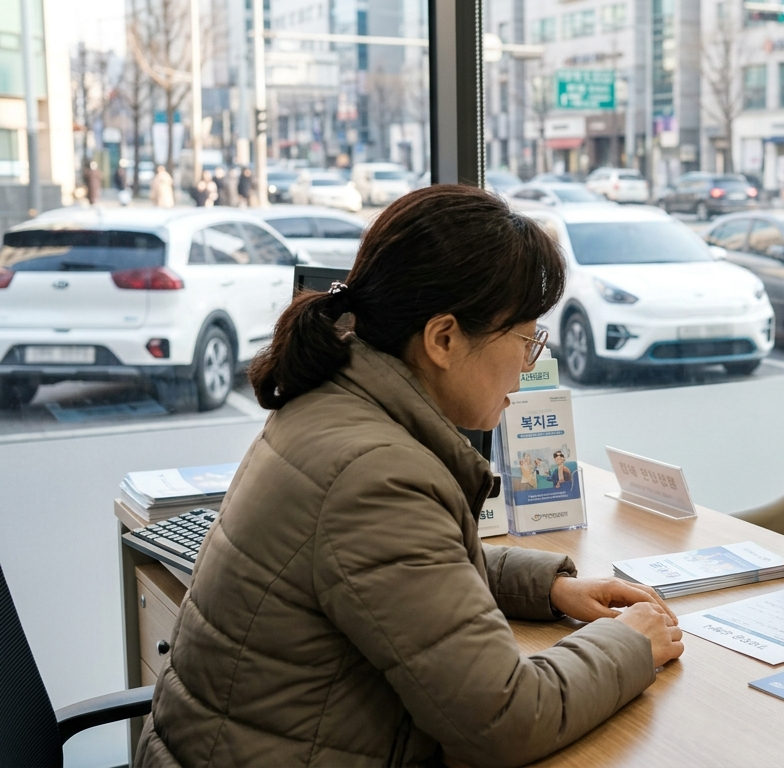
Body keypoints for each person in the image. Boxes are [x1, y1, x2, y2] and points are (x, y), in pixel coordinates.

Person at [134, 185, 684, 767]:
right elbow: (505, 718)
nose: (528, 367)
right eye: (526, 341)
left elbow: (404, 565)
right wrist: (630, 643)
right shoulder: (375, 475)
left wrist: (547, 587)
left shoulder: (332, 405)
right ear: (443, 339)